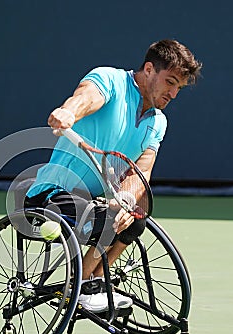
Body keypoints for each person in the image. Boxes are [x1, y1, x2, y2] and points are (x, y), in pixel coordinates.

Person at [25, 39, 202, 312]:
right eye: (170, 82)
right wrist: (68, 112)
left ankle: (91, 280)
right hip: (50, 196)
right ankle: (83, 286)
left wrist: (125, 198)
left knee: (133, 221)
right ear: (149, 69)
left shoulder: (158, 123)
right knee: (105, 219)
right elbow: (86, 97)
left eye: (179, 87)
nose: (174, 94)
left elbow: (141, 170)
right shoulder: (111, 80)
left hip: (94, 203)